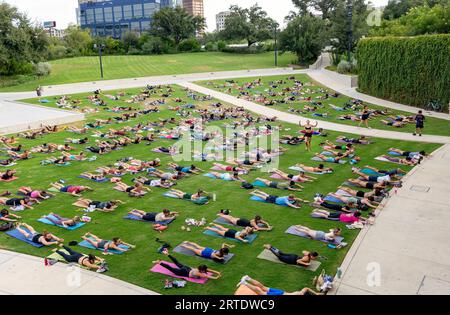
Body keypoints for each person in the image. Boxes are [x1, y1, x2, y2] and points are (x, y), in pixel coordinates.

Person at [154, 253, 221, 280]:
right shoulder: (198, 273)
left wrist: (217, 272)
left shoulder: (201, 268)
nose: (206, 270)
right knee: (170, 267)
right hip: (183, 272)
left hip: (187, 268)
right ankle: (159, 262)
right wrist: (216, 277)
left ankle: (167, 254)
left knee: (176, 263)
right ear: (202, 270)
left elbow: (210, 270)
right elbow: (207, 276)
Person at [237, 276, 320, 295]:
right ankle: (244, 283)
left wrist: (316, 293)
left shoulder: (300, 292)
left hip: (281, 292)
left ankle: (247, 278)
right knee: (261, 293)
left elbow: (306, 288)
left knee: (263, 287)